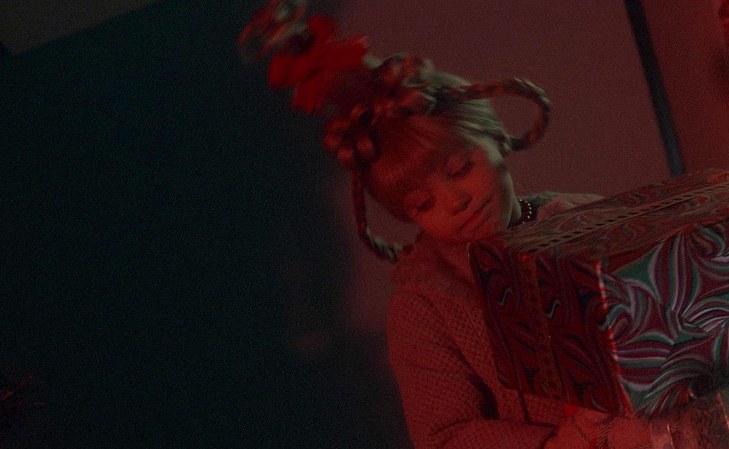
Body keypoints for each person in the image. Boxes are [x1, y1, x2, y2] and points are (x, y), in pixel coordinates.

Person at [239, 2, 656, 447]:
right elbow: (446, 436)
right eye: (423, 203)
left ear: (494, 137)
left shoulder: (593, 221)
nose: (456, 202)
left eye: (461, 168)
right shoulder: (426, 306)